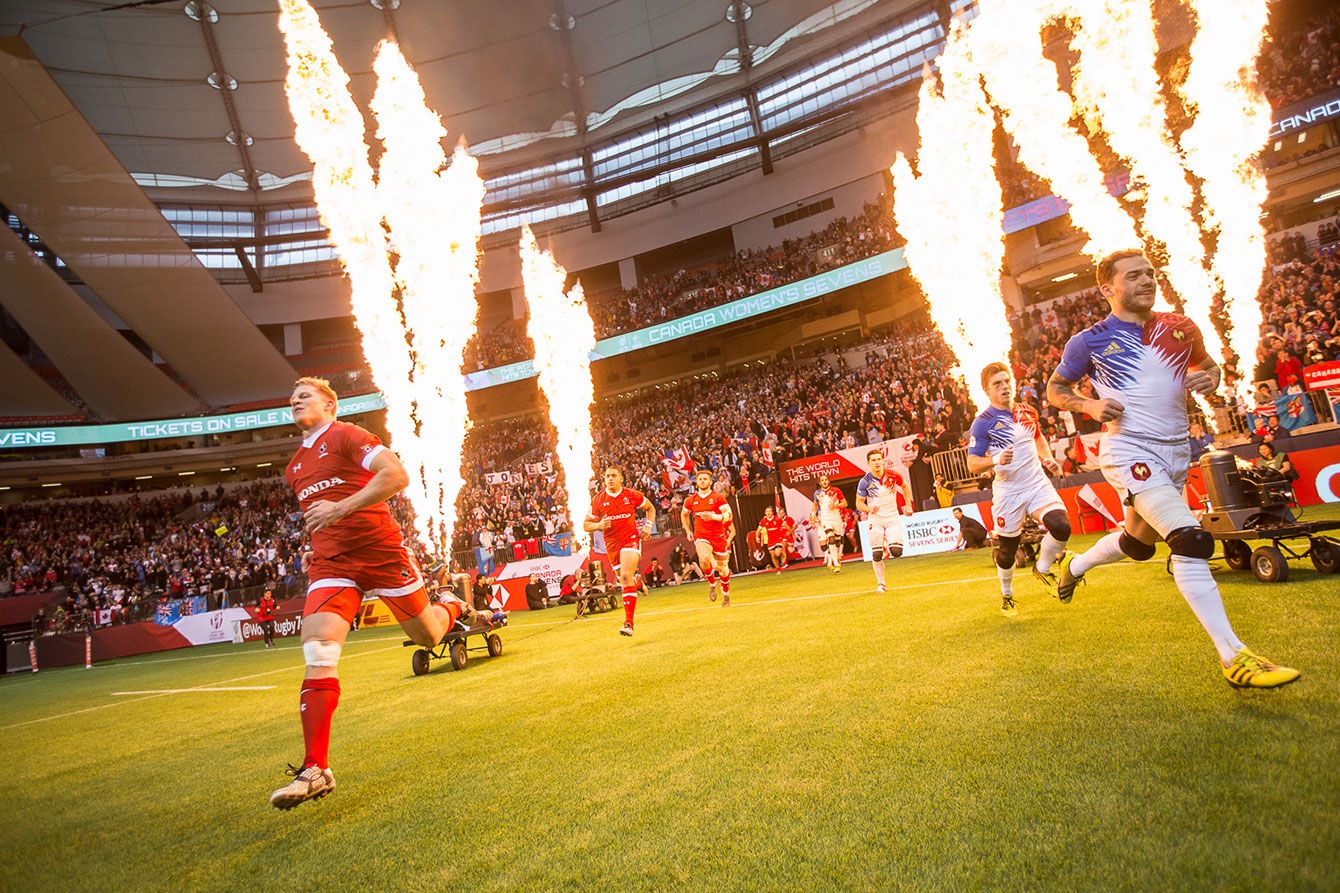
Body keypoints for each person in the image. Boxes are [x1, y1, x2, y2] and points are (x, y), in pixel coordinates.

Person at [1047, 251, 1299, 688]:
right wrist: (1088, 404)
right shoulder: (1089, 340)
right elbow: (1055, 388)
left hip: (1177, 451)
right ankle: (1233, 656)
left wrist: (1212, 378)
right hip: (1129, 449)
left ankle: (1073, 568)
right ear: (1107, 288)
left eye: (1151, 273)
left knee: (1138, 544)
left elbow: (1209, 367)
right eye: (1135, 276)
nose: (1148, 280)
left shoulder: (1181, 327)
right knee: (1191, 537)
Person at [270, 377, 467, 810]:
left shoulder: (348, 435)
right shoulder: (295, 467)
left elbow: (395, 475)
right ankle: (315, 769)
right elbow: (319, 512)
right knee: (319, 651)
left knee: (429, 638)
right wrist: (313, 547)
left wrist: (342, 508)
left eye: (305, 395)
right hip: (332, 565)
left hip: (381, 550)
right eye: (292, 398)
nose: (296, 401)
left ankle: (451, 602)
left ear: (330, 405)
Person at [966, 362, 1071, 617]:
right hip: (1008, 492)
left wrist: (1047, 457)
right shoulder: (983, 423)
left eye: (1006, 381)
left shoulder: (1027, 411)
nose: (1004, 387)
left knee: (1061, 526)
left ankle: (1043, 568)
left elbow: (1037, 437)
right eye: (997, 384)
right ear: (986, 390)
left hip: (1036, 483)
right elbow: (972, 464)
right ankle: (1007, 594)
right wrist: (995, 460)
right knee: (1008, 551)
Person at [584, 466, 654, 637]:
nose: (610, 478)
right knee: (626, 580)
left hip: (630, 540)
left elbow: (650, 508)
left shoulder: (631, 495)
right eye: (607, 476)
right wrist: (599, 525)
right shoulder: (598, 500)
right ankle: (637, 583)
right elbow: (586, 525)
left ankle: (629, 623)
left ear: (621, 479)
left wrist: (648, 525)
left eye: (613, 475)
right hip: (612, 545)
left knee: (624, 576)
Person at [855, 449, 914, 594]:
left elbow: (905, 487)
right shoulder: (865, 482)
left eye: (878, 459)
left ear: (882, 460)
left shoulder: (894, 475)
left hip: (892, 517)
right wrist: (869, 509)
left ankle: (887, 544)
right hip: (875, 520)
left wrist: (908, 505)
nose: (877, 462)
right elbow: (859, 504)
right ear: (868, 463)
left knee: (897, 552)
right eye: (873, 460)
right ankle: (881, 584)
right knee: (876, 554)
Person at [681, 468, 733, 606]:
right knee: (704, 559)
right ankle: (711, 583)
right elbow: (684, 514)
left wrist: (713, 516)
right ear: (696, 482)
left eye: (705, 479)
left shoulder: (718, 497)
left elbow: (729, 515)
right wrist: (688, 530)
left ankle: (725, 595)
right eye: (700, 479)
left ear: (710, 481)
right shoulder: (691, 499)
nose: (702, 481)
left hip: (718, 537)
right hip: (701, 536)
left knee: (723, 569)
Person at [809, 474, 847, 573]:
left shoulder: (836, 490)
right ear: (820, 482)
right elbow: (815, 505)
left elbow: (845, 503)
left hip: (836, 518)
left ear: (829, 481)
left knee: (837, 541)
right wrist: (813, 514)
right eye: (822, 480)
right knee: (831, 537)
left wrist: (835, 505)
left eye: (826, 480)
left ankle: (837, 558)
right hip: (826, 519)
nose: (824, 481)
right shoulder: (817, 493)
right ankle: (836, 564)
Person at [756, 506, 788, 573]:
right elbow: (758, 530)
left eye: (770, 511)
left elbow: (785, 525)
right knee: (773, 555)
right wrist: (757, 537)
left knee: (777, 554)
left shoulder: (777, 519)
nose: (768, 513)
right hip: (770, 540)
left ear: (772, 512)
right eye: (767, 511)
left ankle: (782, 554)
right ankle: (778, 570)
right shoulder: (764, 521)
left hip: (778, 539)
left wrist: (791, 533)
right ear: (765, 513)